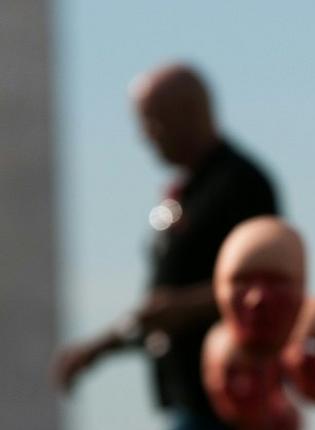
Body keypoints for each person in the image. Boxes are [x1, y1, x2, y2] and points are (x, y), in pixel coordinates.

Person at [53, 63, 280, 430]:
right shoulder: (188, 191)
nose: (145, 136)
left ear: (189, 113)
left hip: (231, 403)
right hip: (187, 396)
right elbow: (158, 309)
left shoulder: (241, 183)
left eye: (151, 120)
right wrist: (101, 348)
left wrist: (183, 309)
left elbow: (269, 288)